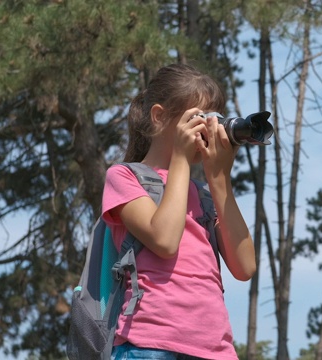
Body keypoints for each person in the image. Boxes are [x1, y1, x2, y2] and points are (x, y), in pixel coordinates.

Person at [101, 63, 256, 360]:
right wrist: (182, 161)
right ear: (159, 116)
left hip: (215, 349)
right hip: (149, 344)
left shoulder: (205, 194)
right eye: (199, 119)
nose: (208, 130)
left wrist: (220, 179)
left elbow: (245, 267)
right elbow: (165, 240)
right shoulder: (125, 177)